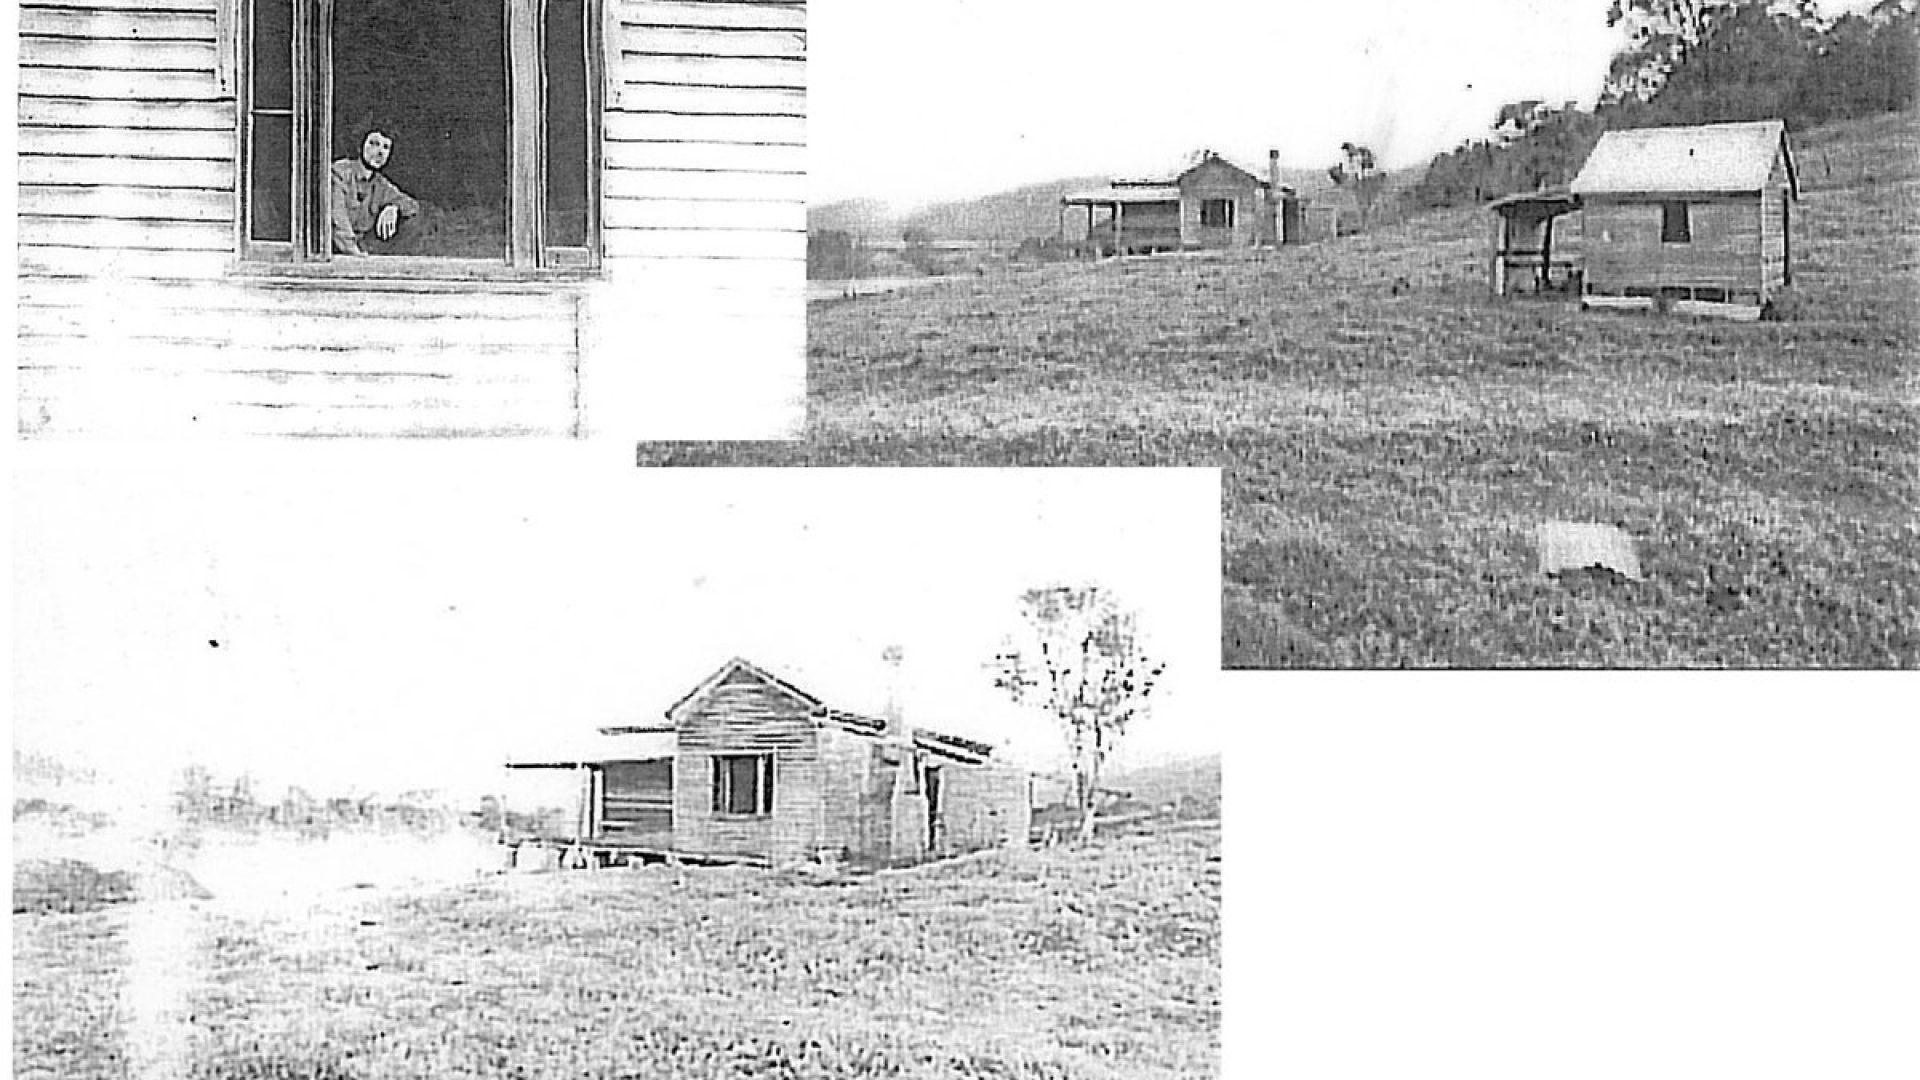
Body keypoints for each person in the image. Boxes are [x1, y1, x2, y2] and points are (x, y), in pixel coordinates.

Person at [331, 130, 419, 256]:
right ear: (360, 146)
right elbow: (338, 222)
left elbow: (412, 205)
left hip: (358, 255)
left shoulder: (381, 185)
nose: (380, 152)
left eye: (386, 147)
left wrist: (394, 207)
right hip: (333, 255)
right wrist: (356, 255)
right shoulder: (341, 172)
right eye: (374, 143)